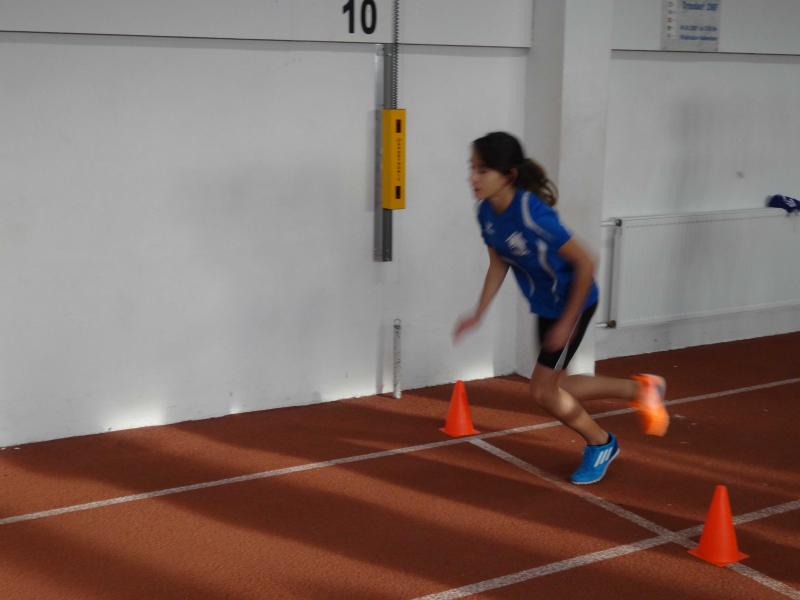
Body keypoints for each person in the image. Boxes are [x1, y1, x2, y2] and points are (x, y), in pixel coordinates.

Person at [453, 131, 668, 485]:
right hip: (547, 305)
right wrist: (479, 312)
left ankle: (601, 442)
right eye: (471, 168)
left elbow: (585, 262)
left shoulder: (532, 213)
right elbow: (498, 263)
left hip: (573, 302)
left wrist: (567, 321)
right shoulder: (486, 213)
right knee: (557, 384)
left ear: (508, 175)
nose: (472, 178)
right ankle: (640, 390)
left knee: (543, 391)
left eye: (482, 170)